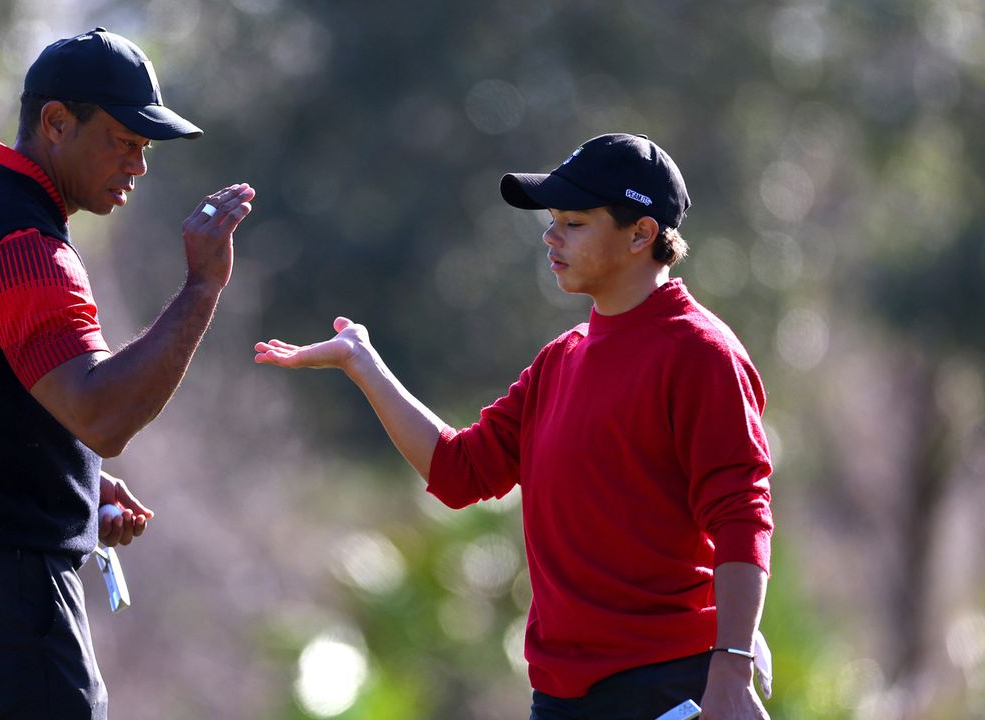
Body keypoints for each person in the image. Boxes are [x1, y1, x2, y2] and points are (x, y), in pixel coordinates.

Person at [254, 133, 772, 719]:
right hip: (559, 698)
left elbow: (741, 515)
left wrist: (731, 668)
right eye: (552, 220)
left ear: (641, 233)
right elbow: (458, 471)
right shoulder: (561, 359)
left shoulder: (701, 354)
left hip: (667, 690)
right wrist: (362, 363)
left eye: (574, 222)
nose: (551, 237)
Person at [0, 27, 255, 719]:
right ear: (55, 123)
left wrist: (55, 472)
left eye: (146, 148)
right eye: (123, 141)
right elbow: (103, 417)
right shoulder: (27, 246)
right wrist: (201, 288)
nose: (138, 165)